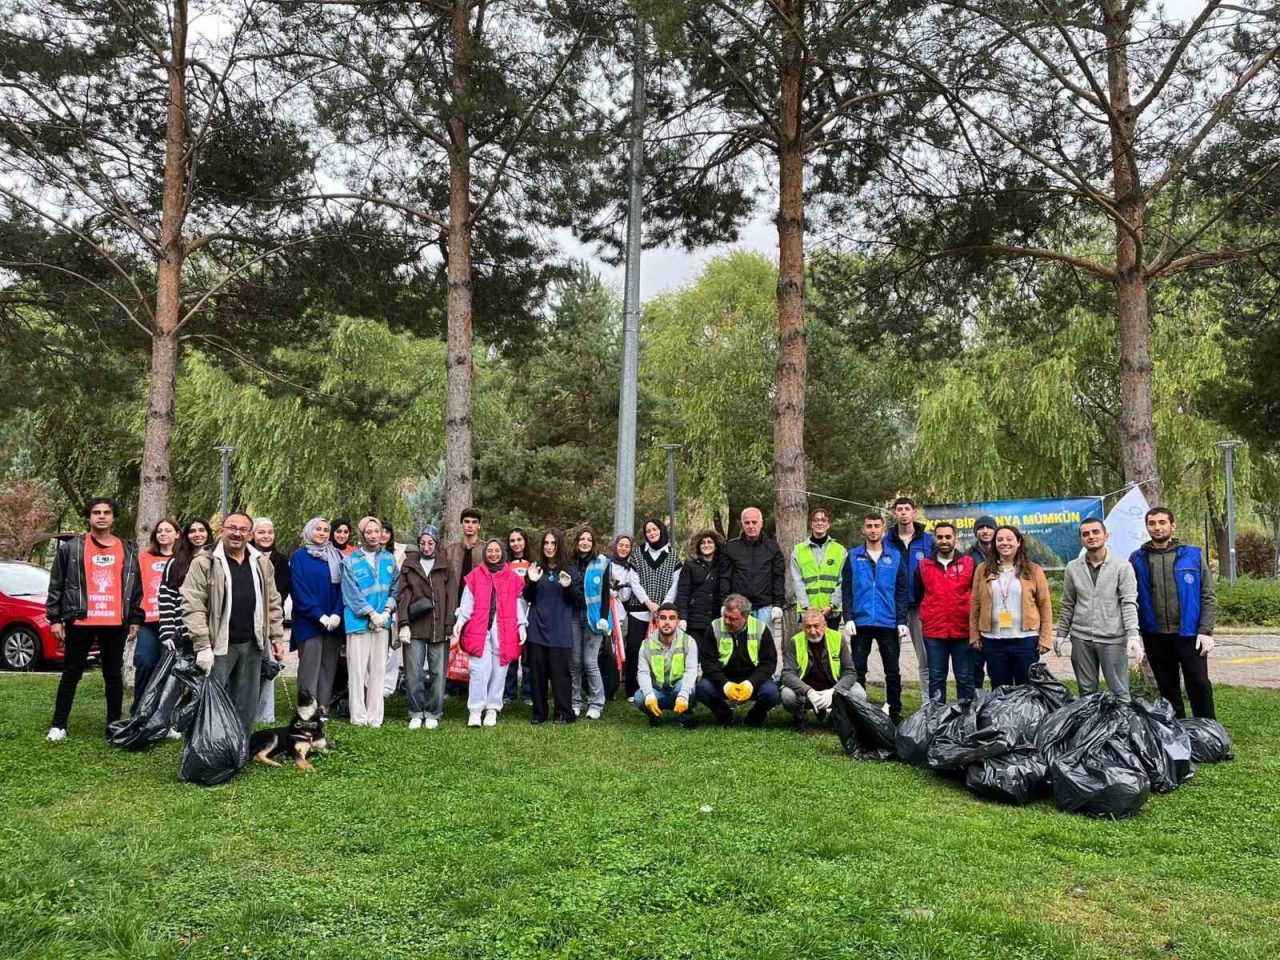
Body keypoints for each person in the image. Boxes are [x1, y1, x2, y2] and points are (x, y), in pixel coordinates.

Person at [46, 497, 144, 742]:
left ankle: (113, 724)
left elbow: (136, 588)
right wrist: (55, 618)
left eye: (106, 512)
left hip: (115, 622)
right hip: (80, 620)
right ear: (89, 517)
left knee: (113, 674)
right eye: (97, 512)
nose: (101, 516)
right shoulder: (72, 548)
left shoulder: (128, 549)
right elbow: (56, 584)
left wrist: (134, 618)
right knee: (71, 673)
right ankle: (59, 725)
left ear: (113, 517)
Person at [182, 512, 285, 737]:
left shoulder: (261, 562)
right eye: (232, 528)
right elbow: (193, 604)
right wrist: (202, 646)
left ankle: (238, 749)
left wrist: (276, 636)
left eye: (243, 529)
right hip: (218, 645)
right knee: (209, 700)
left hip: (252, 643)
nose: (237, 533)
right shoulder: (205, 562)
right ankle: (206, 750)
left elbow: (273, 600)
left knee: (246, 705)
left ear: (250, 535)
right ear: (222, 530)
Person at [1130, 507, 1218, 719]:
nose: (1157, 527)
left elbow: (1208, 594)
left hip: (1189, 634)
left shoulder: (1192, 555)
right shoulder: (1137, 559)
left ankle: (1208, 733)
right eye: (1152, 523)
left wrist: (1205, 630)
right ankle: (1176, 734)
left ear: (1172, 525)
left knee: (1198, 682)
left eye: (1162, 522)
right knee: (1167, 688)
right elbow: (1131, 598)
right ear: (1147, 527)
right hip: (1155, 634)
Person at [1055, 519, 1142, 700]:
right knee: (1087, 692)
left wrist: (1132, 635)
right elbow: (1068, 603)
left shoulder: (1122, 567)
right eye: (1086, 534)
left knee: (1119, 692)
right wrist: (1061, 633)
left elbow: (1129, 602)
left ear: (1106, 535)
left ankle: (1123, 726)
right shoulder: (1072, 568)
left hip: (1112, 639)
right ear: (1081, 539)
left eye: (1095, 532)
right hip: (1081, 638)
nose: (1091, 537)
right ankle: (1091, 727)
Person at [840, 514, 909, 723]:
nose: (872, 530)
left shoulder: (895, 556)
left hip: (887, 621)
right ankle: (859, 710)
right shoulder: (853, 556)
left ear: (884, 530)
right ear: (863, 529)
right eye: (868, 526)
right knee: (858, 667)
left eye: (876, 526)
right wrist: (849, 617)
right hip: (861, 622)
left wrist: (902, 620)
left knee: (892, 669)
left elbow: (901, 591)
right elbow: (847, 590)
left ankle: (895, 710)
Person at [452, 538, 526, 727]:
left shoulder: (512, 578)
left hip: (504, 629)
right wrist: (460, 620)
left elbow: (518, 605)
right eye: (490, 551)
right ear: (485, 553)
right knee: (479, 670)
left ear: (502, 552)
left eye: (497, 550)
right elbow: (467, 602)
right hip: (479, 628)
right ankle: (476, 710)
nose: (493, 554)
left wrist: (521, 625)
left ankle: (492, 708)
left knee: (499, 671)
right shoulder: (475, 576)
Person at [970, 525, 1053, 686]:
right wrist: (974, 635)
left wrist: (1045, 638)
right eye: (1000, 539)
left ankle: (1028, 713)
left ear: (1019, 542)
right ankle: (1001, 713)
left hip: (1025, 639)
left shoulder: (1033, 570)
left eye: (1009, 539)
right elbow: (975, 603)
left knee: (1027, 687)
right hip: (993, 640)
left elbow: (1044, 605)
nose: (1004, 543)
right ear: (994, 544)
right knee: (1000, 688)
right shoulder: (983, 570)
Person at [339, 516, 400, 728]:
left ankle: (375, 717)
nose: (374, 535)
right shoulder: (350, 561)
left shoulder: (390, 559)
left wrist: (386, 611)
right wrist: (370, 614)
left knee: (378, 672)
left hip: (382, 623)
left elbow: (395, 587)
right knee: (356, 672)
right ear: (362, 534)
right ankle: (359, 716)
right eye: (369, 532)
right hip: (358, 624)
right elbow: (350, 592)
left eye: (377, 531)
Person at [523, 529, 583, 724]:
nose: (549, 547)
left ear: (559, 546)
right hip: (537, 630)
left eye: (553, 544)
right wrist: (531, 582)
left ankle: (564, 713)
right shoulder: (535, 568)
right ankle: (539, 713)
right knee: (537, 674)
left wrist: (568, 587)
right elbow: (528, 597)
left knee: (560, 675)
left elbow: (578, 600)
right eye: (546, 543)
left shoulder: (570, 570)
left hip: (559, 630)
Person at [396, 525, 453, 729]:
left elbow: (451, 597)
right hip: (415, 625)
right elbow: (402, 596)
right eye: (423, 543)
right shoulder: (409, 566)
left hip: (438, 626)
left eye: (430, 543)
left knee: (438, 671)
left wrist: (449, 625)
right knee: (414, 671)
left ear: (436, 544)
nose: (427, 547)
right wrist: (403, 624)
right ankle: (415, 710)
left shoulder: (445, 566)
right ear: (418, 544)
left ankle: (433, 711)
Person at [914, 522, 978, 703]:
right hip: (934, 632)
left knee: (965, 678)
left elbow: (976, 595)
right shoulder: (923, 566)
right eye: (940, 537)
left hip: (963, 631)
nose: (944, 541)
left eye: (948, 537)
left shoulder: (969, 563)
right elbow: (919, 595)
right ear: (934, 539)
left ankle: (964, 719)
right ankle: (937, 719)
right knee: (936, 678)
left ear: (955, 539)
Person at [695, 593, 780, 726]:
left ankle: (754, 718)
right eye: (725, 617)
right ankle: (724, 715)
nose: (727, 621)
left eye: (732, 618)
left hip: (752, 681)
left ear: (745, 617)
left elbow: (769, 663)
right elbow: (708, 662)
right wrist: (725, 684)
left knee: (772, 693)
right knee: (702, 688)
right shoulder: (714, 627)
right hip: (723, 679)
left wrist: (751, 683)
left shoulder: (760, 629)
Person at [719, 506, 786, 674]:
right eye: (747, 522)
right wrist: (724, 603)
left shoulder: (772, 547)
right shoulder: (731, 547)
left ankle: (769, 679)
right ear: (742, 524)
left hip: (765, 606)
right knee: (739, 645)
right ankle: (740, 679)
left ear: (761, 523)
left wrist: (778, 603)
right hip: (739, 609)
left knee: (766, 647)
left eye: (754, 522)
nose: (751, 526)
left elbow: (778, 577)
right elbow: (725, 577)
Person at [289, 517, 345, 717]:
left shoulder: (337, 556)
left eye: (325, 530)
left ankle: (322, 708)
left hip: (333, 622)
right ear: (309, 531)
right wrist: (319, 615)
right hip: (309, 621)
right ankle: (306, 709)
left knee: (328, 666)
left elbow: (344, 589)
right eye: (318, 529)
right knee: (309, 666)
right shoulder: (299, 557)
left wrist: (337, 613)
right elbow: (299, 590)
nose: (322, 533)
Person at [780, 607, 861, 732]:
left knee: (859, 693)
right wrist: (808, 692)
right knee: (787, 695)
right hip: (806, 693)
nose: (812, 631)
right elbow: (787, 674)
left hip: (832, 691)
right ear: (803, 627)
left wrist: (834, 691)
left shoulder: (838, 639)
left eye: (816, 626)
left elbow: (850, 672)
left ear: (824, 625)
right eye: (808, 627)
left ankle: (836, 716)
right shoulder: (795, 641)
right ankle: (800, 717)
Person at [886, 497, 933, 704]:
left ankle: (928, 702)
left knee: (925, 657)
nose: (903, 512)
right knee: (890, 658)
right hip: (893, 607)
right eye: (899, 509)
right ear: (894, 513)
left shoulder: (928, 540)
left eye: (907, 509)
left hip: (920, 606)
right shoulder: (886, 540)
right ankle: (892, 702)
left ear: (914, 512)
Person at [132, 517, 178, 711]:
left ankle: (166, 714)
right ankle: (140, 709)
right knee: (145, 661)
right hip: (149, 620)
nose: (163, 534)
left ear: (177, 535)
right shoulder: (144, 558)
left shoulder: (184, 559)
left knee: (171, 668)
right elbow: (135, 589)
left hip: (174, 622)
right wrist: (134, 618)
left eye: (168, 530)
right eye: (159, 531)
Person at [571, 526, 614, 719]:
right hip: (573, 616)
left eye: (589, 539)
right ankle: (575, 702)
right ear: (577, 541)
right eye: (582, 539)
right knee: (575, 662)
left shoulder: (603, 562)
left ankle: (596, 703)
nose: (585, 542)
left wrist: (604, 617)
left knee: (590, 662)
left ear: (593, 542)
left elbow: (605, 594)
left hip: (594, 618)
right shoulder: (570, 563)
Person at [252, 517, 292, 724]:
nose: (266, 536)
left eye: (270, 532)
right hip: (246, 621)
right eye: (261, 532)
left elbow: (280, 593)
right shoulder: (246, 557)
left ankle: (265, 715)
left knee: (268, 668)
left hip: (269, 620)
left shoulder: (281, 560)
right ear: (253, 535)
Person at [635, 604, 699, 728]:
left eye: (671, 618)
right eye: (663, 618)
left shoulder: (689, 641)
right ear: (657, 621)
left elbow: (691, 671)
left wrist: (684, 694)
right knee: (639, 698)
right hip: (658, 690)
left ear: (677, 621)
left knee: (691, 689)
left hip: (678, 688)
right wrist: (649, 695)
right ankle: (655, 716)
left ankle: (686, 716)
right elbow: (643, 673)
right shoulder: (646, 644)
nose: (667, 622)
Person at [158, 517, 211, 659]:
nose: (197, 534)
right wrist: (167, 631)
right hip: (182, 630)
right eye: (192, 531)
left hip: (210, 631)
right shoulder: (175, 562)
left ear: (208, 533)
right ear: (186, 535)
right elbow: (166, 596)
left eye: (201, 530)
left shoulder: (217, 560)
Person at [790, 506, 846, 630]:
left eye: (823, 520)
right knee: (808, 648)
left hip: (832, 611)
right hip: (807, 612)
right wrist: (807, 607)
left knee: (831, 647)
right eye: (816, 520)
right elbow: (797, 581)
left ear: (828, 524)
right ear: (811, 524)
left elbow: (842, 581)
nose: (819, 523)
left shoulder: (840, 550)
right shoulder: (798, 551)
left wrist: (832, 605)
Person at [675, 529, 725, 646]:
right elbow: (683, 593)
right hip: (695, 621)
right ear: (698, 546)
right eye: (703, 543)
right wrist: (682, 617)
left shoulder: (722, 566)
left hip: (716, 618)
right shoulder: (689, 566)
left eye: (709, 542)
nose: (706, 545)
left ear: (716, 546)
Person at [503, 527, 534, 703]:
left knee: (528, 657)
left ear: (525, 541)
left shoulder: (533, 563)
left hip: (529, 613)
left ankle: (528, 693)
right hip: (510, 615)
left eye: (519, 540)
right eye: (512, 540)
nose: (516, 543)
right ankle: (509, 692)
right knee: (511, 655)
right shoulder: (505, 565)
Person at [967, 514, 997, 690]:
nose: (985, 531)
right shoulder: (968, 557)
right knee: (975, 665)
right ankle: (975, 703)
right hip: (977, 616)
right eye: (981, 528)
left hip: (1000, 617)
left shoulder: (1005, 552)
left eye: (988, 527)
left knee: (998, 667)